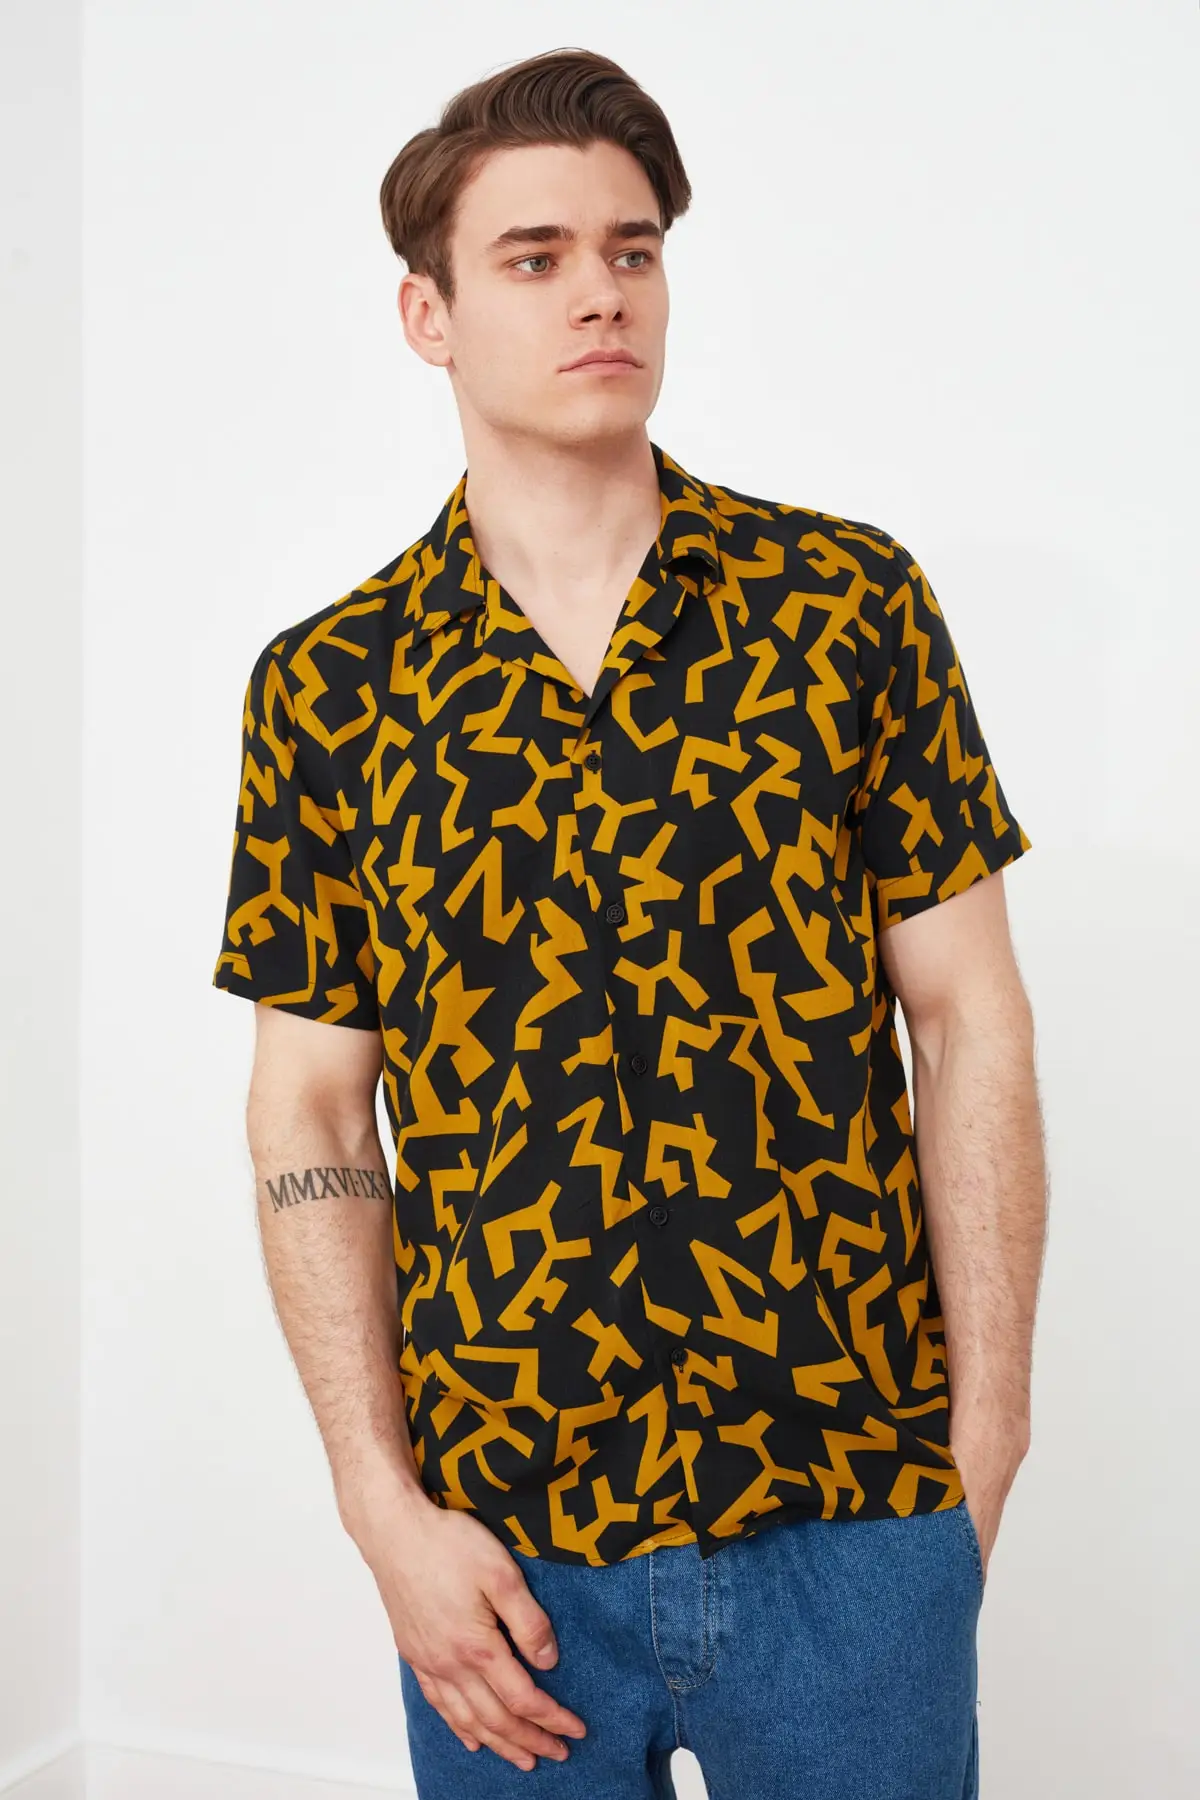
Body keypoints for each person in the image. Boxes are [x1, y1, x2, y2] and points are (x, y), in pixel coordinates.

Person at [211, 45, 1047, 1800]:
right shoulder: (330, 690)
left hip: (852, 1515)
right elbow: (310, 1114)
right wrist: (380, 1513)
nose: (601, 292)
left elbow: (970, 1022)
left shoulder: (847, 610)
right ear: (428, 315)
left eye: (632, 249)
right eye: (535, 258)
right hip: (499, 1564)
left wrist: (983, 1445)